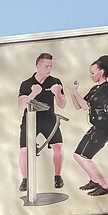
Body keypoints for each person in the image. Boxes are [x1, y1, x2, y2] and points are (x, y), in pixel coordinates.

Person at [68, 55, 108, 196]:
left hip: (105, 127)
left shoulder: (106, 88)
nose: (90, 76)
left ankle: (104, 186)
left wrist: (74, 91)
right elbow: (78, 106)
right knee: (78, 155)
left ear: (101, 72)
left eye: (92, 73)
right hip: (98, 126)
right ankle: (94, 180)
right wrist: (73, 91)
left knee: (84, 156)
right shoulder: (95, 88)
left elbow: (86, 106)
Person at [18, 52, 67, 192]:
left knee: (58, 147)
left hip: (49, 118)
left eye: (51, 66)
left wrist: (57, 93)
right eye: (46, 66)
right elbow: (21, 105)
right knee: (24, 150)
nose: (49, 69)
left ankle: (58, 176)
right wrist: (33, 94)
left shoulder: (55, 82)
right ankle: (25, 179)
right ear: (37, 66)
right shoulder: (27, 83)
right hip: (31, 118)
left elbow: (62, 104)